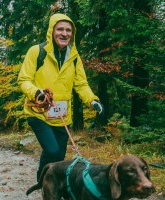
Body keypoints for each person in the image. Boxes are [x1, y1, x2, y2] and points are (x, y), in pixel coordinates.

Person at [18, 13, 104, 181]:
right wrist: (37, 93)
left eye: (68, 30)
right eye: (60, 29)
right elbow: (23, 79)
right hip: (38, 113)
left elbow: (81, 84)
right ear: (52, 31)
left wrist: (92, 100)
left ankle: (53, 184)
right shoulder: (37, 52)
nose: (64, 34)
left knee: (58, 157)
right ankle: (42, 182)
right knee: (51, 150)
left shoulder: (74, 57)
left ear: (72, 34)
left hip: (62, 116)